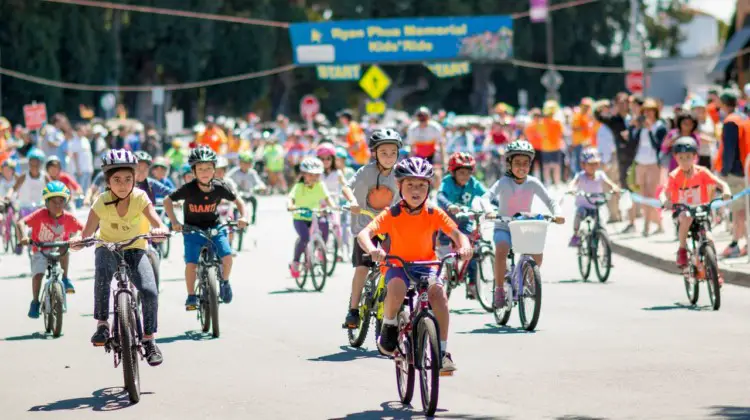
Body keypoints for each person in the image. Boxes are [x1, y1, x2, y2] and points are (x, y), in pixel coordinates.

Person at [357, 157, 472, 374]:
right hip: (397, 264)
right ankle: (389, 325)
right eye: (410, 184)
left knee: (439, 295)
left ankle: (443, 352)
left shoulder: (433, 212)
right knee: (398, 288)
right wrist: (373, 250)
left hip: (427, 264)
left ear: (429, 187)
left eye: (421, 185)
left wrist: (464, 247)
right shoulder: (392, 214)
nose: (415, 190)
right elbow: (364, 234)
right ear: (400, 186)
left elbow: (457, 234)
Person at [70, 149, 168, 366]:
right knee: (103, 277)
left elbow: (157, 221)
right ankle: (103, 325)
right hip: (108, 247)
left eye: (128, 179)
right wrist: (79, 241)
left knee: (150, 291)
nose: (123, 185)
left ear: (135, 179)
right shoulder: (100, 202)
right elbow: (87, 233)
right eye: (116, 180)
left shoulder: (140, 198)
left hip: (136, 249)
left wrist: (160, 229)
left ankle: (149, 339)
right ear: (107, 181)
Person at [163, 146, 249, 310]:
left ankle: (224, 282)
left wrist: (244, 216)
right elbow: (167, 200)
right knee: (191, 265)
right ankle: (191, 296)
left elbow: (238, 201)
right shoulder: (188, 189)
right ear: (193, 171)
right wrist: (174, 221)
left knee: (227, 257)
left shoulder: (220, 186)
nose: (205, 172)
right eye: (200, 168)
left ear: (215, 170)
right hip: (192, 230)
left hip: (215, 228)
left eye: (209, 168)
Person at [485, 140, 564, 306]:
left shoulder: (533, 182)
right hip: (504, 225)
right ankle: (499, 290)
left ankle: (527, 280)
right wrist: (489, 211)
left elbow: (550, 201)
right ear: (509, 164)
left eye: (526, 164)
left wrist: (557, 213)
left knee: (537, 254)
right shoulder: (503, 182)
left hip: (523, 225)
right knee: (501, 249)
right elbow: (486, 197)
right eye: (517, 163)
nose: (522, 167)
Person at [342, 128, 402, 329]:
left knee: (397, 265)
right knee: (362, 268)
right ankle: (353, 310)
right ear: (374, 153)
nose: (388, 157)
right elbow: (347, 188)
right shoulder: (365, 172)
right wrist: (352, 202)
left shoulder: (401, 174)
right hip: (365, 228)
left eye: (393, 153)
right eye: (383, 152)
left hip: (389, 227)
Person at [661, 137, 731, 268]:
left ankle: (714, 271)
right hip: (683, 211)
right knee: (687, 218)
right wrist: (665, 201)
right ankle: (682, 250)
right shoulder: (674, 176)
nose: (685, 161)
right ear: (675, 158)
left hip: (701, 210)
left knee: (709, 239)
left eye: (688, 157)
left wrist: (726, 190)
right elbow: (663, 192)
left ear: (694, 156)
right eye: (681, 158)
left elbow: (720, 183)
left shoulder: (702, 172)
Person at [19, 181, 83, 315]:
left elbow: (82, 229)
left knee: (65, 248)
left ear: (66, 202)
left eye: (61, 201)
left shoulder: (68, 218)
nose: (58, 205)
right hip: (41, 249)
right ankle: (35, 301)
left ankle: (65, 278)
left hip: (59, 248)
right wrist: (24, 237)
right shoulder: (40, 214)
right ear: (46, 202)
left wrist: (76, 238)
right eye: (54, 201)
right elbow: (21, 222)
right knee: (38, 275)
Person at [436, 152, 487, 298]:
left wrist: (495, 205)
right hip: (448, 221)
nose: (465, 176)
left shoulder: (473, 183)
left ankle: (472, 284)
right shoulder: (447, 182)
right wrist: (449, 205)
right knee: (444, 248)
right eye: (462, 173)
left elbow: (486, 195)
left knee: (472, 248)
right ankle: (445, 272)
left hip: (465, 219)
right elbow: (440, 196)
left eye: (468, 173)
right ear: (453, 172)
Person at [286, 157, 337, 278]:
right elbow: (290, 198)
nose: (314, 178)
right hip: (300, 217)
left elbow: (327, 197)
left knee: (324, 224)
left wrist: (333, 206)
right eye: (310, 175)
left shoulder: (320, 185)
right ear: (303, 174)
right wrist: (291, 206)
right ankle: (296, 262)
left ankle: (320, 249)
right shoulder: (299, 187)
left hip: (316, 214)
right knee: (304, 238)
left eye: (317, 175)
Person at [624, 98, 667, 236]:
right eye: (645, 111)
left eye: (650, 111)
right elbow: (632, 143)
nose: (647, 114)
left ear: (655, 112)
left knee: (650, 196)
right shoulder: (640, 126)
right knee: (642, 196)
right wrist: (633, 127)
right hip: (640, 162)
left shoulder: (660, 126)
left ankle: (647, 226)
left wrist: (649, 130)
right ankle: (658, 224)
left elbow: (658, 146)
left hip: (653, 163)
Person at [715, 89, 749, 258]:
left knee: (738, 211)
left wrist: (724, 170)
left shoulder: (730, 121)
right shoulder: (744, 118)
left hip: (736, 172)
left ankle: (736, 242)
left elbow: (729, 149)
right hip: (746, 169)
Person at [566, 148, 620, 246]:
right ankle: (575, 235)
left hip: (596, 205)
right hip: (584, 205)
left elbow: (609, 183)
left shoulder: (600, 175)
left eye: (595, 163)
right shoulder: (580, 176)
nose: (593, 166)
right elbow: (573, 183)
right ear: (583, 165)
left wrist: (614, 187)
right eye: (590, 164)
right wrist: (571, 189)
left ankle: (604, 240)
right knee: (579, 215)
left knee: (601, 224)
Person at [227, 150, 266, 224]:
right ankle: (232, 217)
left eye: (248, 163)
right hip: (237, 193)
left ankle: (253, 216)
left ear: (251, 164)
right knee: (233, 204)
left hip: (248, 193)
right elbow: (227, 177)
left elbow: (258, 182)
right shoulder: (235, 171)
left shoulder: (252, 173)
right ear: (240, 163)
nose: (245, 165)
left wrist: (261, 186)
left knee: (254, 200)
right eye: (243, 163)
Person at [539, 100, 564, 187]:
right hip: (552, 146)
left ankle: (550, 182)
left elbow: (541, 134)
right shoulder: (556, 122)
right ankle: (555, 182)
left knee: (549, 166)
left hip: (550, 146)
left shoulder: (544, 122)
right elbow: (561, 133)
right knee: (555, 166)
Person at [571, 98, 595, 174]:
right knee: (579, 161)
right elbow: (574, 128)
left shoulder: (588, 116)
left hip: (587, 142)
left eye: (588, 106)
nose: (587, 108)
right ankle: (579, 176)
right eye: (585, 106)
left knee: (587, 160)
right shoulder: (577, 116)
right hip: (578, 142)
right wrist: (585, 127)